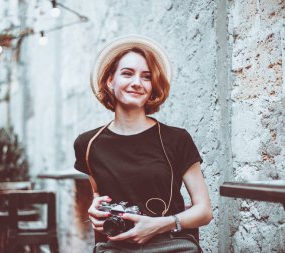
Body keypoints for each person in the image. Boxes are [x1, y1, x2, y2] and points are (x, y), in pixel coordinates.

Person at [73, 35, 212, 253]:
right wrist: (95, 208)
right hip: (117, 248)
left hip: (172, 246)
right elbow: (100, 195)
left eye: (146, 77)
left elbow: (204, 211)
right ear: (110, 81)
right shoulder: (88, 144)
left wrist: (158, 225)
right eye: (127, 73)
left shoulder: (177, 139)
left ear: (152, 86)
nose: (137, 83)